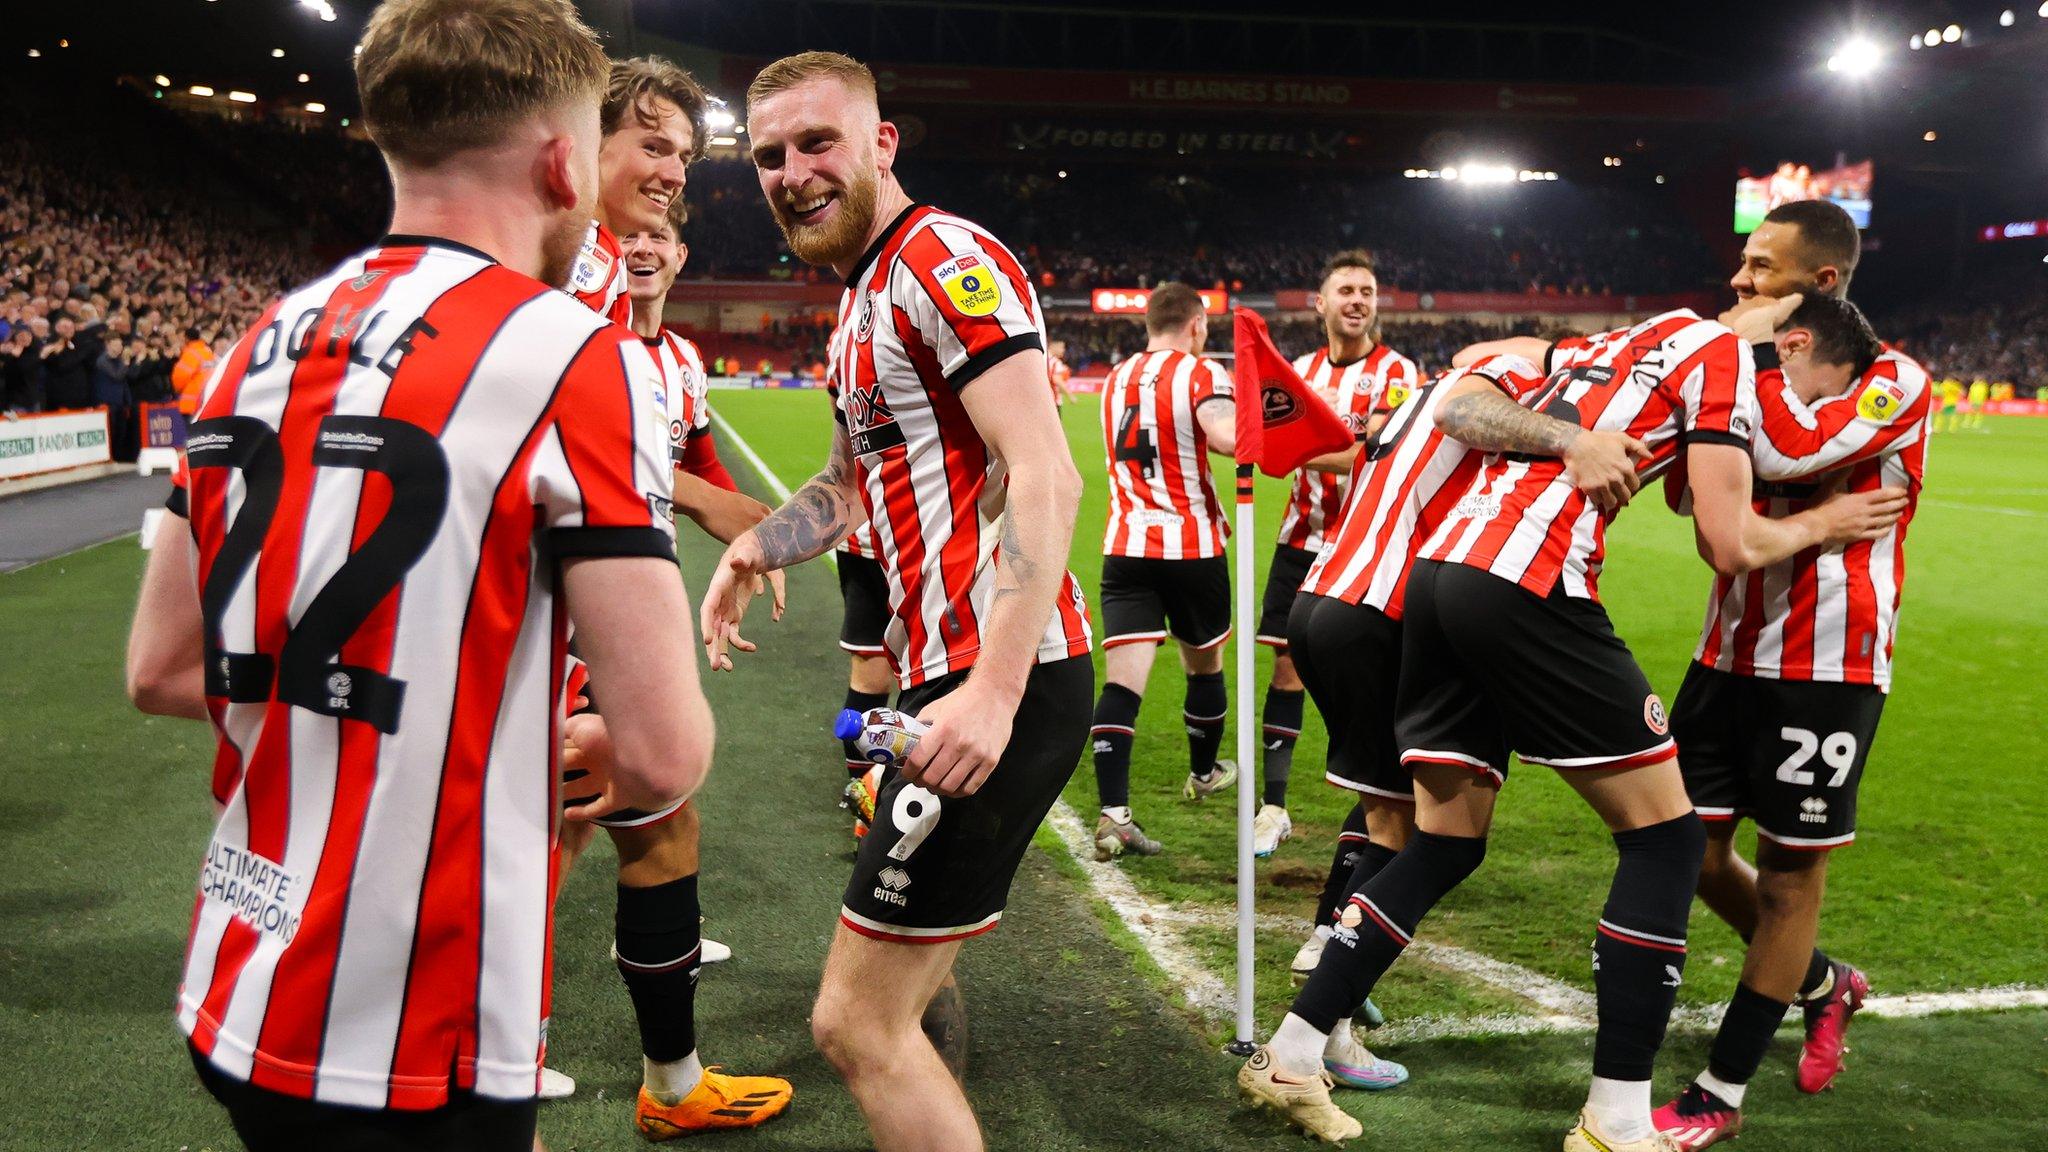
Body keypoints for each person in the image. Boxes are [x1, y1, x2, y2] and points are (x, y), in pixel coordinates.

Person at [121, 1, 713, 1148]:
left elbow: (160, 669)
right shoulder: (573, 357)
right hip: (414, 1007)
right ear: (559, 158)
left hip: (241, 959)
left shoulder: (255, 342)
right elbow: (658, 753)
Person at [1240, 303, 1907, 1149]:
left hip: (1440, 576)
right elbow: (1728, 540)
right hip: (1526, 578)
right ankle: (1617, 1118)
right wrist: (1825, 522)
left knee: (1443, 838)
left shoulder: (1611, 344)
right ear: (1792, 333)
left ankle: (1294, 1053)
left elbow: (1479, 407)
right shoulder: (1727, 360)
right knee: (1666, 837)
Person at [708, 50, 1093, 1152]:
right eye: (769, 154)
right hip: (937, 677)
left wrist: (990, 692)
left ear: (881, 143)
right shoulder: (859, 300)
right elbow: (842, 485)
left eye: (816, 141)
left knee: (853, 1024)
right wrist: (753, 548)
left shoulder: (942, 261)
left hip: (988, 683)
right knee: (898, 994)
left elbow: (1043, 470)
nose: (790, 171)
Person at [548, 56, 794, 1136]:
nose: (667, 175)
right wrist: (709, 507)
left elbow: (666, 448)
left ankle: (671, 1079)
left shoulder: (622, 300)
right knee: (551, 836)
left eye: (683, 159)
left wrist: (715, 512)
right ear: (578, 140)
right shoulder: (560, 274)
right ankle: (502, 1066)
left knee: (650, 816)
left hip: (598, 600)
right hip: (549, 604)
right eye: (649, 145)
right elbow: (567, 455)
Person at [1646, 278, 1931, 1145]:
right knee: (1683, 850)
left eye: (1760, 272)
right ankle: (1822, 982)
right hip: (1725, 650)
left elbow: (1790, 450)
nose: (1741, 287)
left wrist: (1740, 359)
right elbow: (1690, 498)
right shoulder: (1749, 372)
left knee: (1788, 877)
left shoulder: (1893, 378)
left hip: (1826, 667)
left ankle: (1719, 1094)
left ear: (1812, 295)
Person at [1253, 251, 1417, 859]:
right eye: (1345, 290)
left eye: (1367, 291)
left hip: (1367, 544)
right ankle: (1273, 807)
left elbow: (1368, 453)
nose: (1357, 300)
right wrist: (1285, 446)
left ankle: (1389, 806)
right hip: (1300, 539)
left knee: (1373, 677)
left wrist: (1289, 450)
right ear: (1320, 304)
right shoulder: (1298, 372)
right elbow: (1278, 438)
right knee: (1286, 668)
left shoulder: (1397, 371)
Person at [1088, 282, 1237, 860]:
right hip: (1192, 545)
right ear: (1197, 325)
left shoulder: (1113, 379)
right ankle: (1203, 773)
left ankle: (1114, 815)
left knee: (1123, 682)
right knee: (1205, 664)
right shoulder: (1202, 374)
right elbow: (1225, 437)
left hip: (1125, 546)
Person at [1047, 337, 1073, 407]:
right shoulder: (1055, 362)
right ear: (1053, 347)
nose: (1063, 350)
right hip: (1053, 401)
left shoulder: (1042, 358)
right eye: (1062, 347)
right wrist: (1070, 395)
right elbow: (1057, 380)